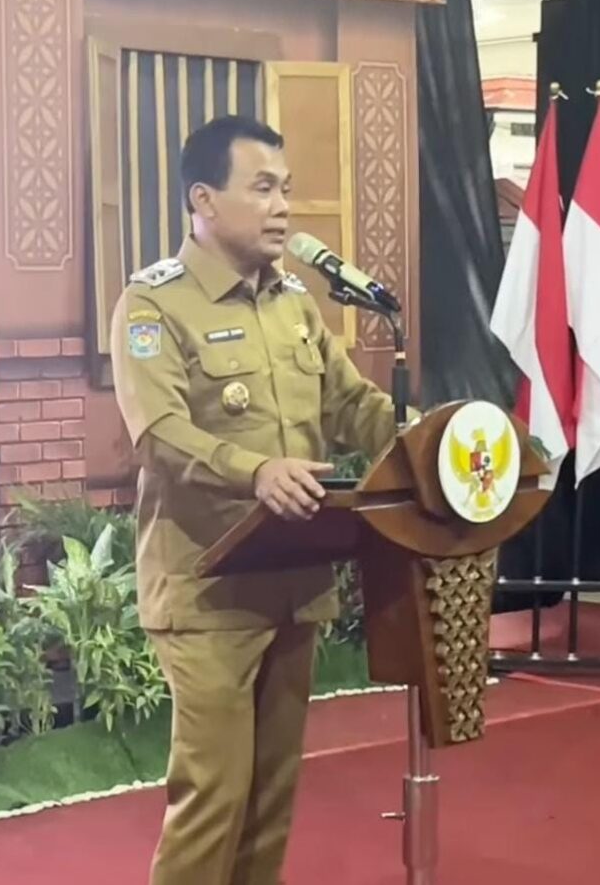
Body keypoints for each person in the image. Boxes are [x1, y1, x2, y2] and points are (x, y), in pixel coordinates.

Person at [110, 115, 400, 885]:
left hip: (293, 582)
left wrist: (431, 437)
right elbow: (159, 433)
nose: (282, 207)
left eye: (286, 189)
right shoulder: (154, 304)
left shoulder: (294, 302)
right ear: (204, 200)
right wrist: (256, 471)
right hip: (209, 589)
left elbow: (350, 404)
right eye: (262, 188)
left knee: (272, 798)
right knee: (212, 797)